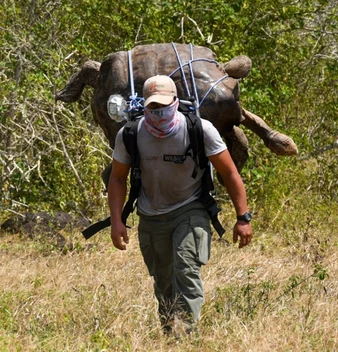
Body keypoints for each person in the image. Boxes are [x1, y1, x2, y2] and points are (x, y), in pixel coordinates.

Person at [107, 75, 253, 336]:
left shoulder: (199, 129)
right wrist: (116, 220)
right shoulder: (130, 133)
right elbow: (117, 178)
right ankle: (168, 333)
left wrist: (243, 217)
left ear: (175, 101)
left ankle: (184, 337)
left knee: (186, 270)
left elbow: (230, 173)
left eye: (164, 105)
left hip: (190, 208)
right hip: (151, 215)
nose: (159, 112)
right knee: (163, 281)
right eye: (153, 106)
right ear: (144, 105)